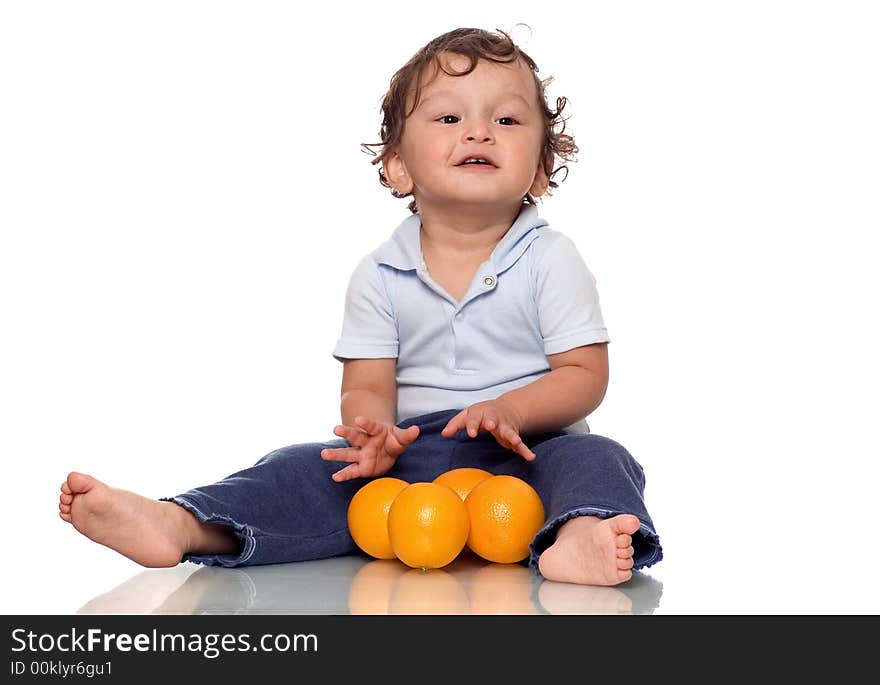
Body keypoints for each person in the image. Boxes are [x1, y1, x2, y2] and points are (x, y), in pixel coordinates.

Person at [59, 26, 662, 587]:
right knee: (298, 468)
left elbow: (585, 376)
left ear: (540, 170)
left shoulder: (550, 258)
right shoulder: (379, 273)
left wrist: (510, 409)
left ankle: (579, 531)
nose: (479, 132)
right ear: (398, 167)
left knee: (600, 458)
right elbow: (367, 384)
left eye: (506, 119)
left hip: (532, 452)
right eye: (450, 117)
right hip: (413, 457)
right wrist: (375, 430)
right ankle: (186, 523)